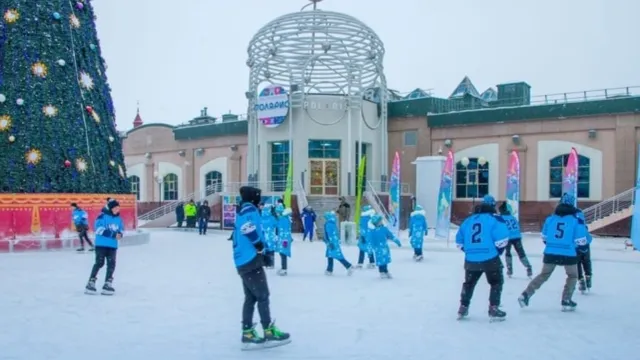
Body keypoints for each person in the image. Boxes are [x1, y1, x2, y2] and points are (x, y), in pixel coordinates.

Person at [234, 186, 290, 349]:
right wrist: (259, 245)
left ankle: (248, 332)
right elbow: (247, 228)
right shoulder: (249, 210)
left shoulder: (244, 208)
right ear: (253, 197)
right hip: (250, 259)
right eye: (258, 196)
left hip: (243, 260)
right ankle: (268, 330)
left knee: (251, 297)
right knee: (263, 295)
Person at [518, 193, 590, 312]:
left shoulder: (550, 219)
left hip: (551, 252)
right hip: (569, 253)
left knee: (544, 275)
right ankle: (566, 300)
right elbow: (581, 240)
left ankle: (526, 295)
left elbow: (545, 236)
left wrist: (552, 245)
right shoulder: (575, 220)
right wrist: (582, 248)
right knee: (572, 275)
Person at [455, 195, 509, 321]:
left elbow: (459, 242)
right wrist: (497, 252)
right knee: (496, 282)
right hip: (490, 257)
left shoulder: (468, 221)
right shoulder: (494, 220)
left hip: (471, 259)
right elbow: (502, 240)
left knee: (469, 283)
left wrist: (470, 251)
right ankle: (493, 307)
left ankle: (463, 306)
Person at [85, 199, 124, 296]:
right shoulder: (102, 217)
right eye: (115, 208)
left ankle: (108, 283)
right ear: (110, 208)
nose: (117, 210)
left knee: (111, 264)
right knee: (99, 263)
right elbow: (98, 229)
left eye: (118, 208)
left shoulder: (119, 219)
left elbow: (121, 229)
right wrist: (112, 234)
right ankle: (91, 282)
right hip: (101, 245)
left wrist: (120, 234)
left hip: (112, 246)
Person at [498, 202, 532, 278]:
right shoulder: (512, 217)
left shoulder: (501, 218)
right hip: (517, 237)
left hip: (508, 237)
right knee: (521, 253)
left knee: (508, 253)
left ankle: (509, 269)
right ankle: (528, 266)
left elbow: (500, 229)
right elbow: (517, 225)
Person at [368, 214, 402, 278]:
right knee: (380, 260)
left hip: (385, 248)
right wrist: (369, 251)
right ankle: (381, 272)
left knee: (385, 260)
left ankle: (386, 271)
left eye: (381, 221)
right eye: (380, 221)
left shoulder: (384, 229)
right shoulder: (372, 232)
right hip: (377, 249)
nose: (381, 222)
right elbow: (370, 242)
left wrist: (397, 241)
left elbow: (391, 236)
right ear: (376, 223)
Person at [323, 211, 354, 276]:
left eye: (325, 217)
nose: (325, 218)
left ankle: (348, 266)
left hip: (332, 243)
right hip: (333, 242)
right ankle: (329, 269)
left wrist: (329, 242)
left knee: (337, 256)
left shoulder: (329, 224)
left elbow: (330, 234)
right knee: (330, 256)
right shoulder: (332, 223)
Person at [574, 207, 593, 293]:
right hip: (585, 244)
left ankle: (581, 280)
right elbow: (588, 237)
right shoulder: (582, 222)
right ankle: (588, 276)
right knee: (586, 261)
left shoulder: (571, 220)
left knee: (577, 262)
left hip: (575, 245)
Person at [275, 205, 293, 276]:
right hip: (282, 239)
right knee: (282, 253)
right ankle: (283, 267)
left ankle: (284, 269)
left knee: (283, 254)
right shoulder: (282, 218)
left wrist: (285, 240)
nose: (276, 213)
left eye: (277, 212)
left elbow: (286, 231)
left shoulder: (284, 219)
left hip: (284, 239)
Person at [261, 205, 277, 269]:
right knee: (271, 251)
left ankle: (265, 263)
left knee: (264, 250)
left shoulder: (260, 218)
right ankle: (271, 264)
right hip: (270, 236)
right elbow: (276, 225)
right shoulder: (272, 218)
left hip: (263, 237)